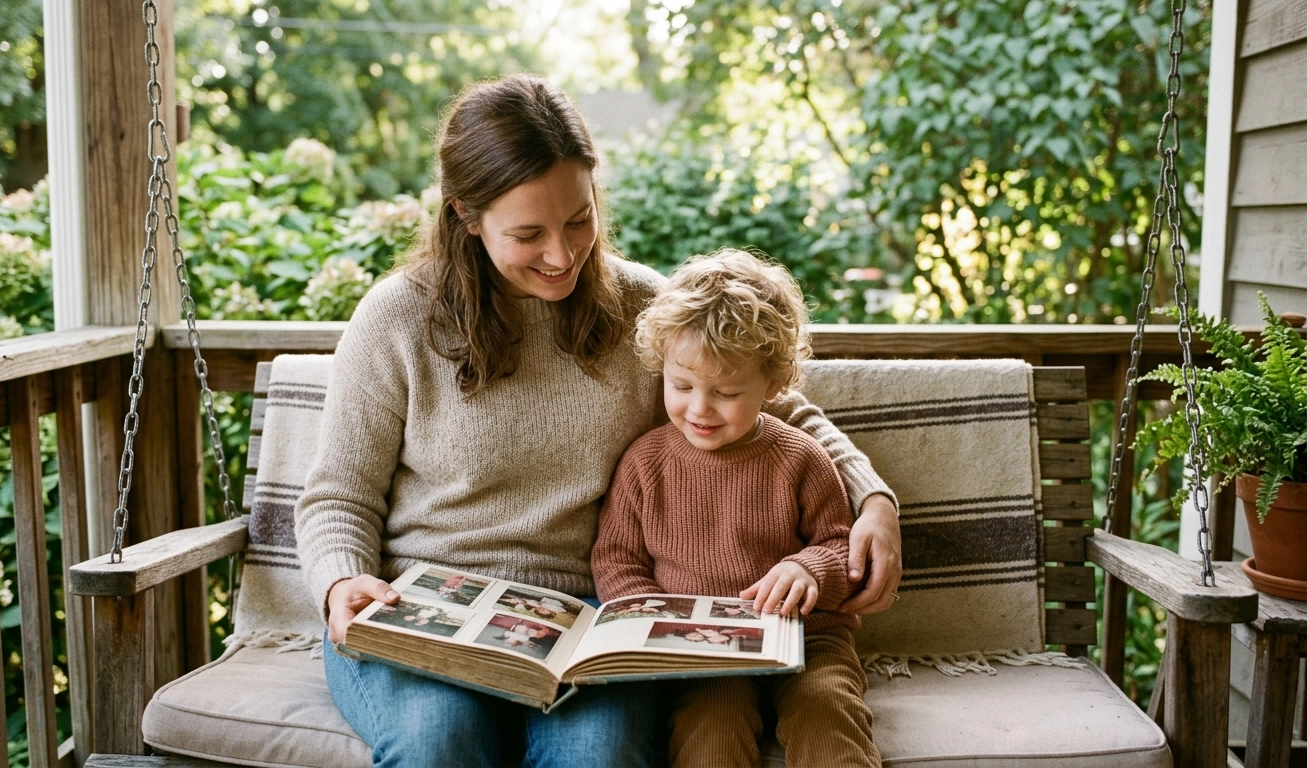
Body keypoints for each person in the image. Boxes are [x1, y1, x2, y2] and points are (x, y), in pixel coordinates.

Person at [294, 73, 901, 768]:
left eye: (578, 219)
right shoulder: (396, 319)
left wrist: (873, 499)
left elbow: (774, 406)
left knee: (599, 754)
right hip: (428, 608)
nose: (563, 256)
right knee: (439, 744)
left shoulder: (642, 303)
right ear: (466, 214)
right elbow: (338, 493)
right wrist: (342, 581)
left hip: (590, 617)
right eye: (529, 234)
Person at [592, 248, 886, 768]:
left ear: (772, 385)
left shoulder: (800, 457)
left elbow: (840, 545)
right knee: (709, 731)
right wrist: (654, 620)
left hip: (807, 639)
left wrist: (807, 568)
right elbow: (616, 560)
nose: (699, 408)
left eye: (725, 391)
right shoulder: (645, 462)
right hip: (701, 652)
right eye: (681, 386)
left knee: (827, 715)